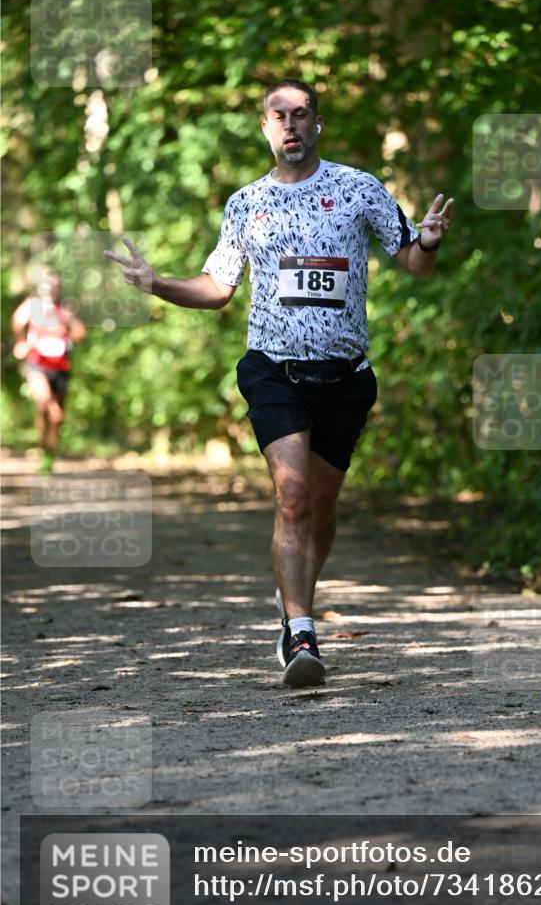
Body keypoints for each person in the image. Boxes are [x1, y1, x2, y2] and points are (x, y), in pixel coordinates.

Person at [104, 78, 453, 688]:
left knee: (320, 505)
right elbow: (217, 289)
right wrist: (156, 283)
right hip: (273, 371)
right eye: (278, 116)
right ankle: (300, 634)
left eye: (301, 115)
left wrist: (425, 240)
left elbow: (413, 263)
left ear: (318, 124)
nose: (290, 125)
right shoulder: (245, 204)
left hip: (345, 377)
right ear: (265, 128)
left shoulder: (357, 189)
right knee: (291, 495)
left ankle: (297, 601)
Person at [11, 267, 87, 474]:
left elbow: (81, 335)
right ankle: (45, 449)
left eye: (55, 285)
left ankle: (48, 454)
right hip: (37, 364)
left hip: (61, 367)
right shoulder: (32, 305)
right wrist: (20, 343)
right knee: (46, 405)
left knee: (57, 418)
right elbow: (17, 322)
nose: (51, 288)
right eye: (47, 285)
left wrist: (69, 326)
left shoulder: (65, 309)